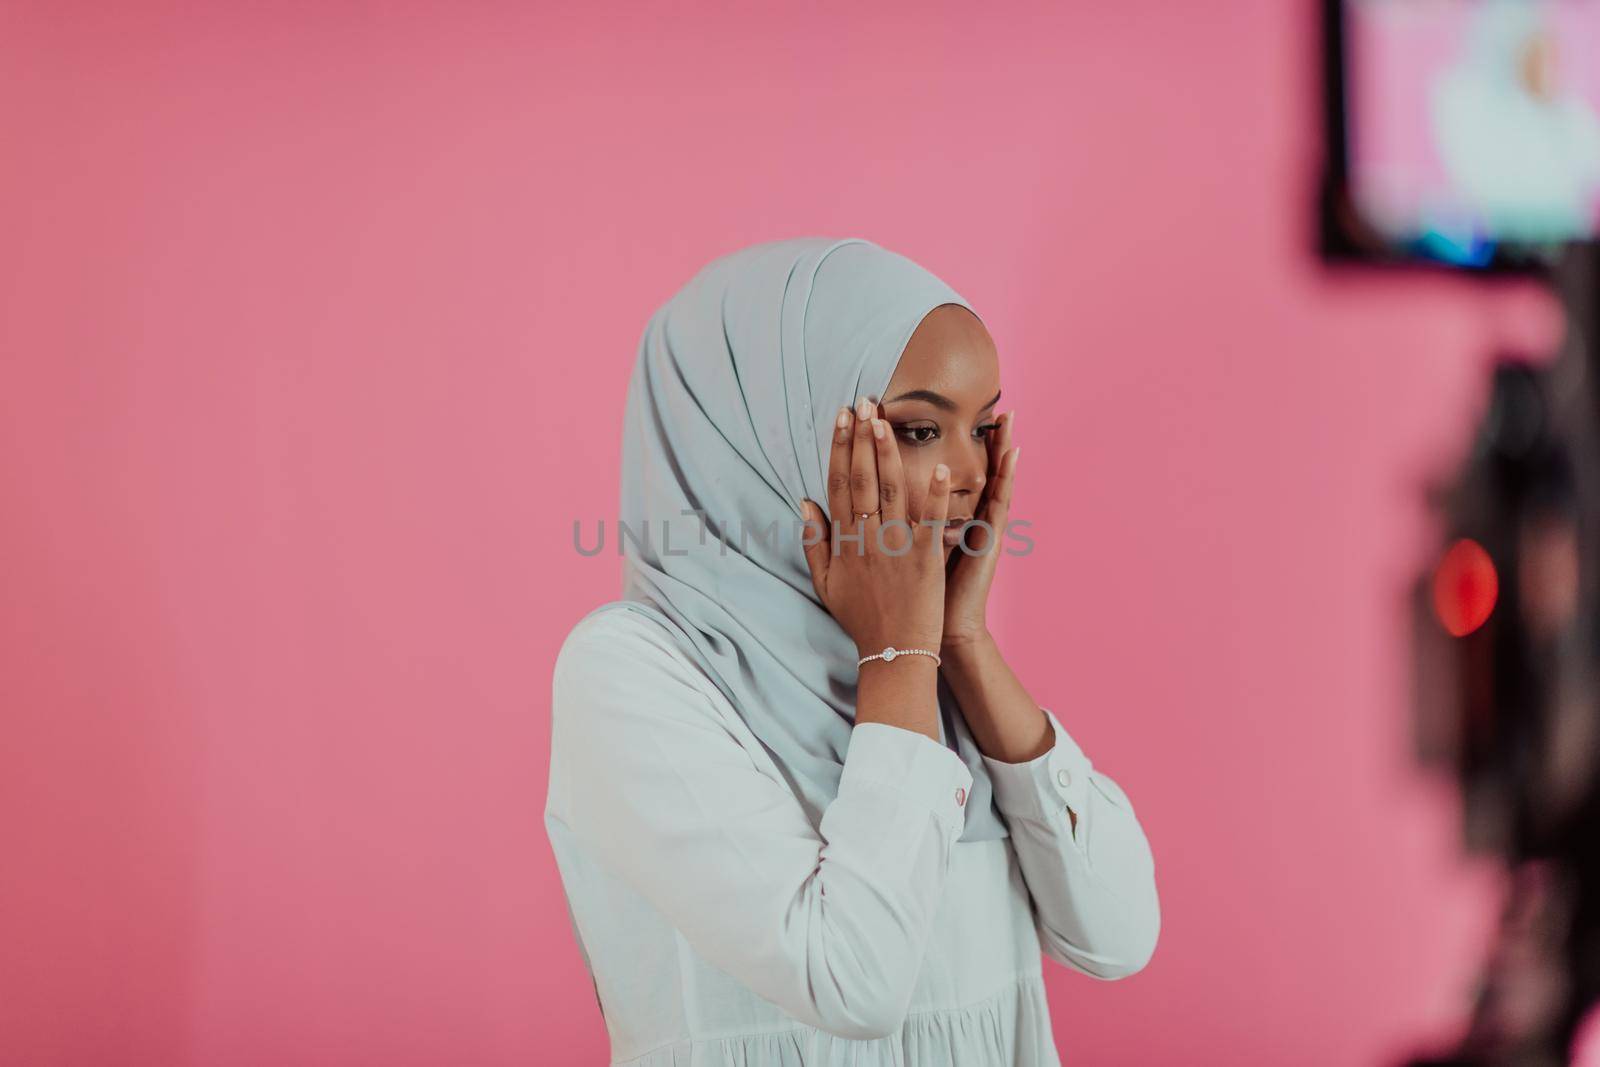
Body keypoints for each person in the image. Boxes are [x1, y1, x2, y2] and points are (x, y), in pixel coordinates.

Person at [545, 236, 1159, 1065]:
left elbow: (1118, 935)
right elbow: (852, 980)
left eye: (980, 429)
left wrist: (959, 641)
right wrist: (900, 656)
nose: (968, 472)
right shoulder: (628, 673)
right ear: (765, 433)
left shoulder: (928, 671)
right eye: (915, 429)